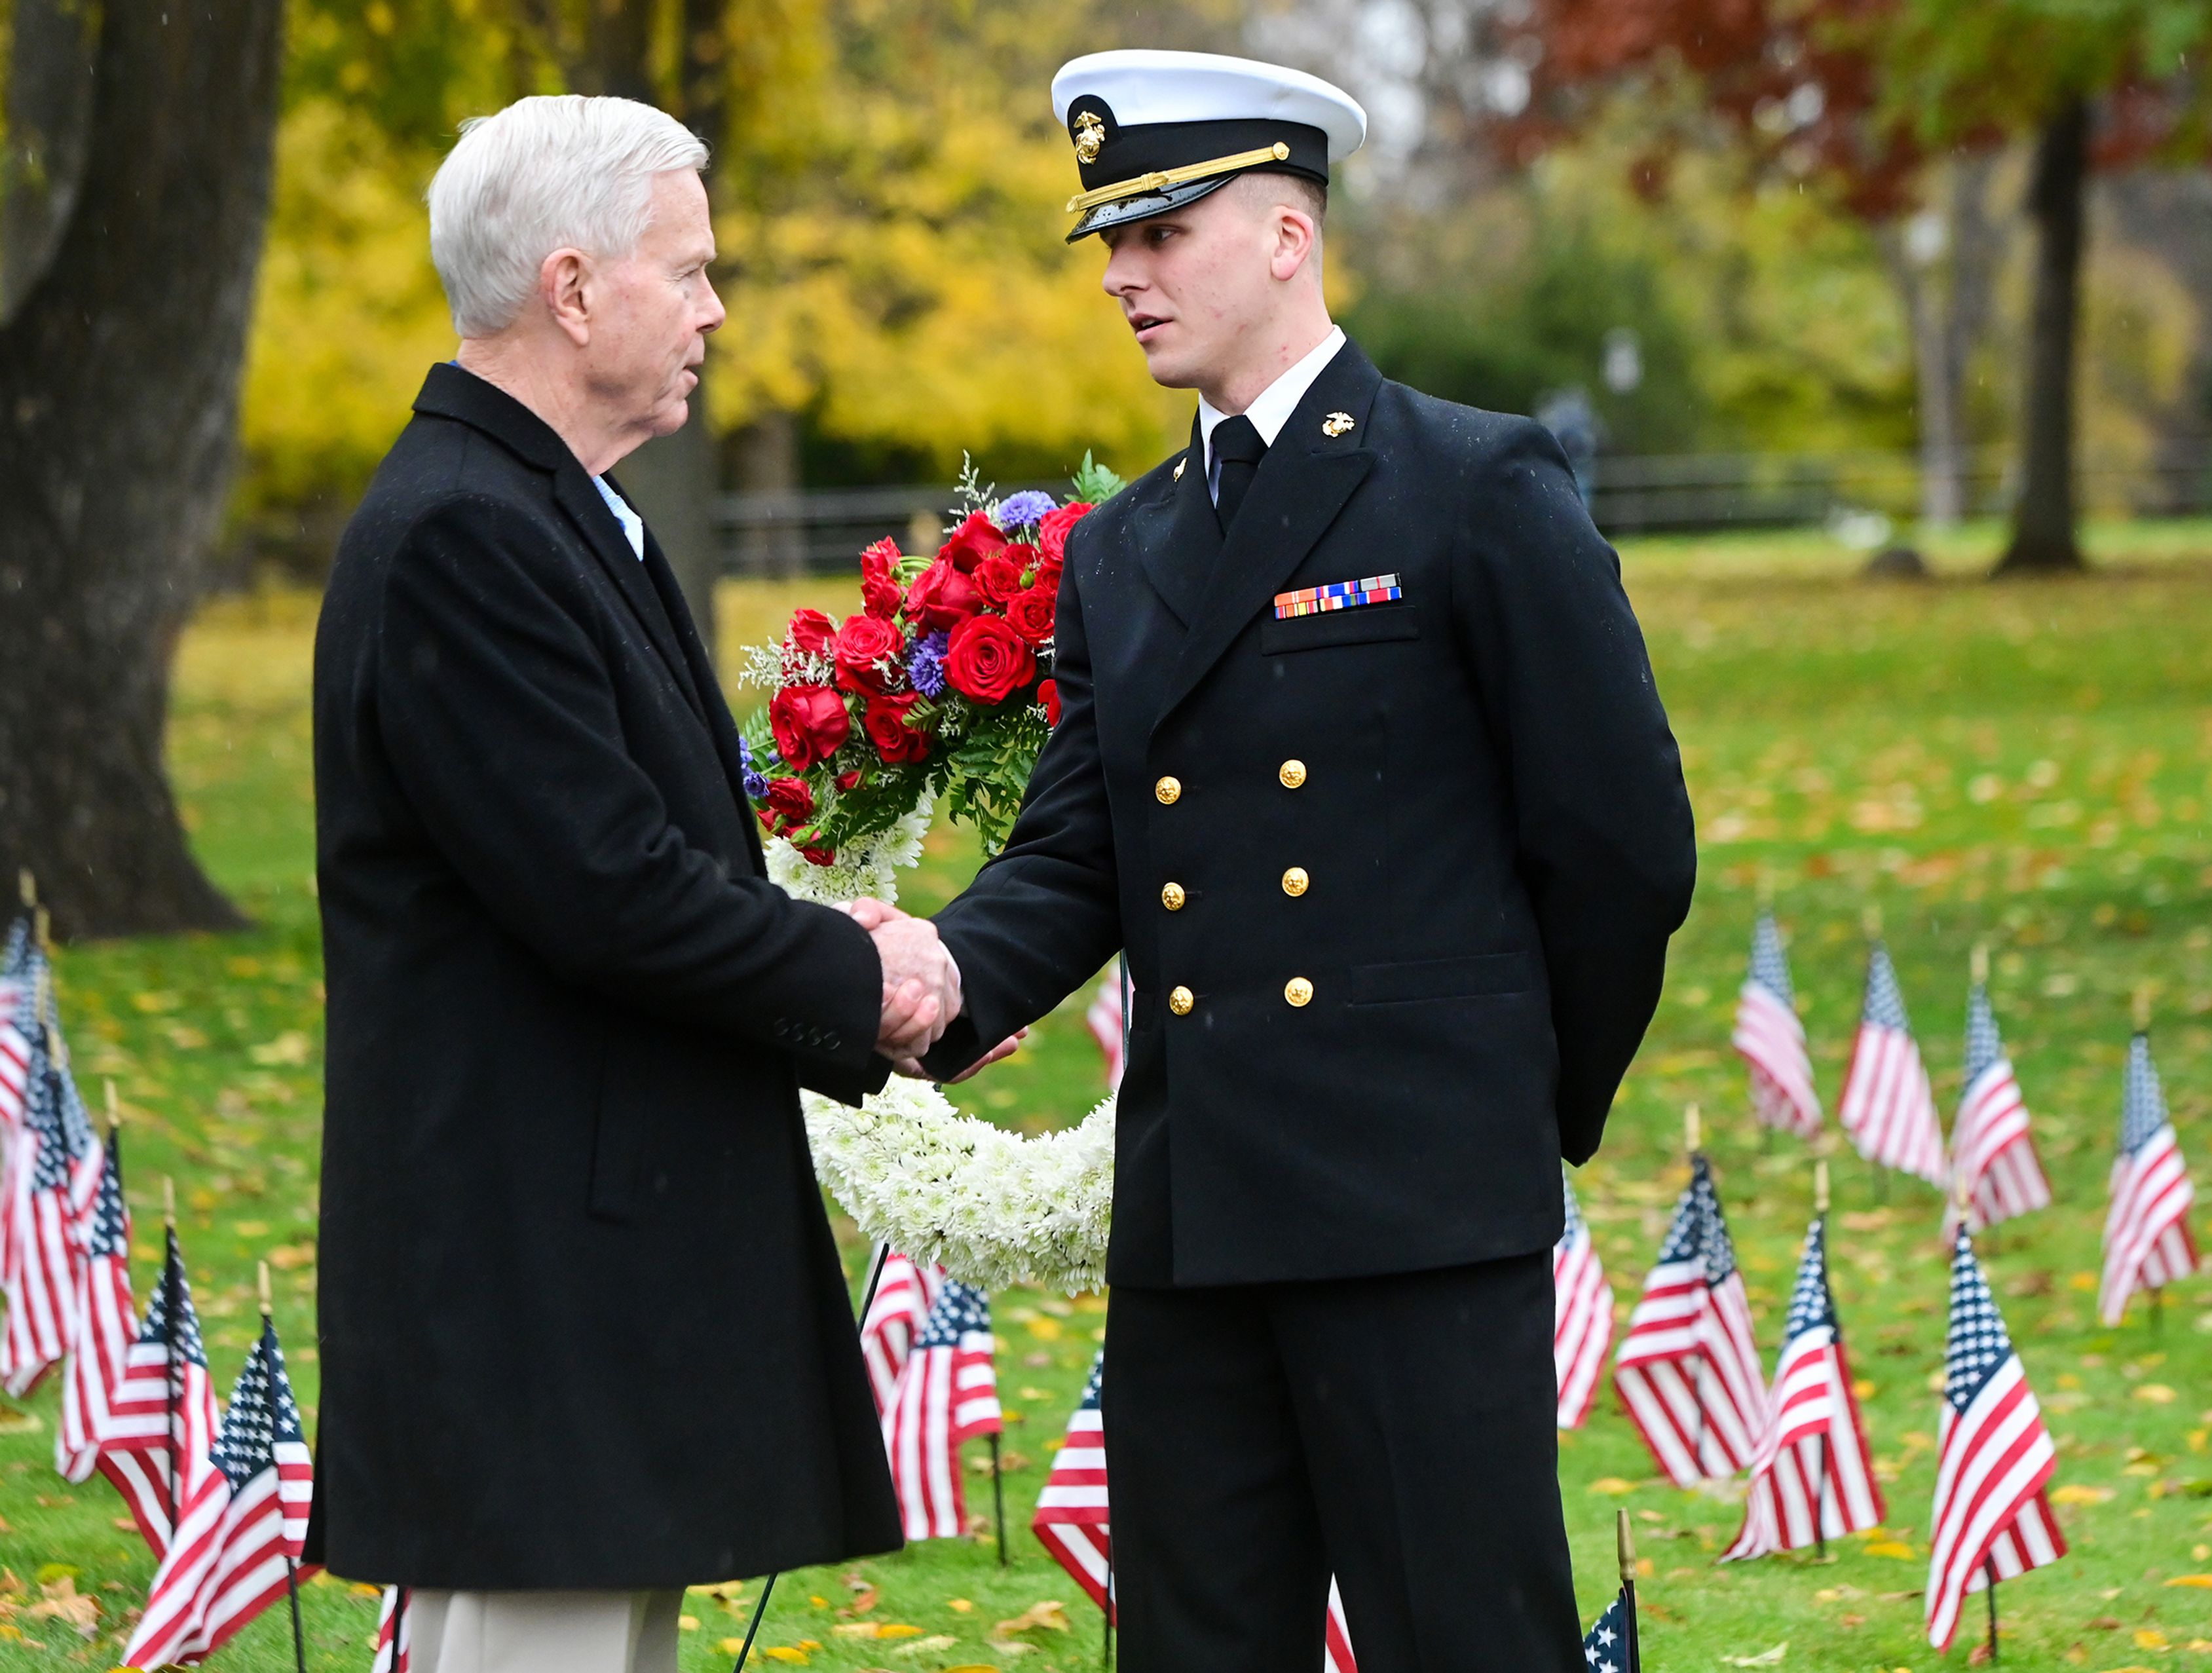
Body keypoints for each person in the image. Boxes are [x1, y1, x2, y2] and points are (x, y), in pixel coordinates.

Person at [903, 49, 1695, 1673]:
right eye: (1110, 242)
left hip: (1416, 1206)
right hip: (1200, 1223)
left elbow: (1621, 844)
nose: (1124, 275)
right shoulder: (1123, 546)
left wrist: (1520, 1100)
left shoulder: (1474, 485)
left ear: (1286, 234)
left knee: (1467, 1641)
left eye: (1162, 231)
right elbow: (1077, 850)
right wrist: (924, 975)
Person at [307, 96, 956, 1673]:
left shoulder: (553, 511)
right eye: (691, 271)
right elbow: (609, 890)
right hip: (535, 1262)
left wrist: (838, 956)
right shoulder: (467, 530)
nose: (718, 310)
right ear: (575, 287)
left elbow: (638, 860)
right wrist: (862, 983)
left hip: (584, 1244)